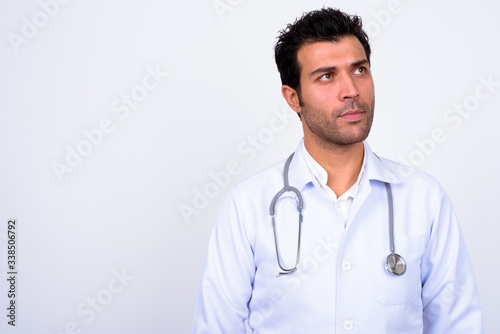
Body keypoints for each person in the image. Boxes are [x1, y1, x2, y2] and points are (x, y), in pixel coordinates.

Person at [193, 8, 483, 333]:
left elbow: (458, 324)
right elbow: (217, 326)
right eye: (326, 76)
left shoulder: (424, 198)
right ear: (293, 98)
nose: (351, 90)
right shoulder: (248, 204)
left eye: (359, 70)